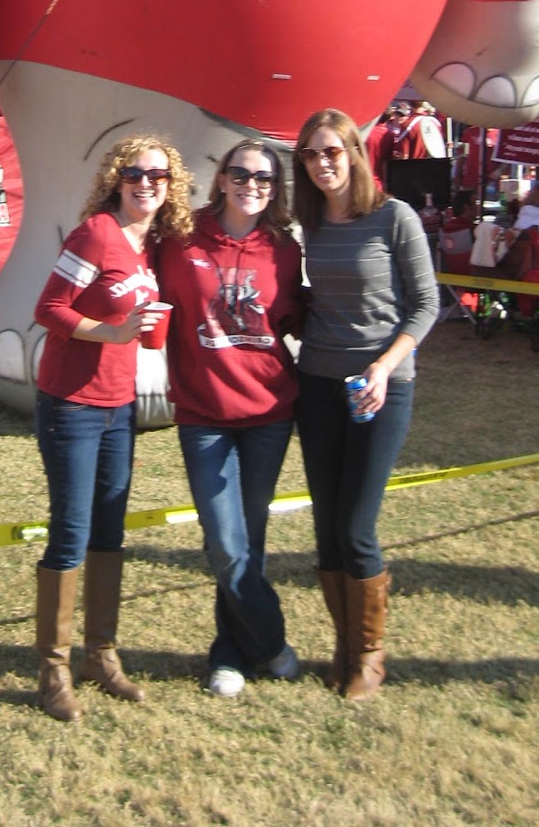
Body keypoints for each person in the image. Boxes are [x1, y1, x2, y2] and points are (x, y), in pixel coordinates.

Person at [31, 132, 194, 722]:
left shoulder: (152, 247)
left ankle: (100, 654)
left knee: (110, 531)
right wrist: (111, 333)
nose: (146, 182)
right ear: (115, 179)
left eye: (158, 175)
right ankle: (53, 670)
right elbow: (48, 308)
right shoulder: (95, 233)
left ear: (170, 185)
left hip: (119, 405)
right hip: (72, 404)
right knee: (71, 531)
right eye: (134, 173)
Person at [293, 107, 439, 701]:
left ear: (355, 153)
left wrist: (382, 366)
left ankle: (372, 655)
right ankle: (345, 643)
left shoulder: (393, 217)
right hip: (318, 385)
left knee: (356, 526)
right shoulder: (310, 222)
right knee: (326, 527)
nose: (322, 163)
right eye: (310, 154)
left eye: (332, 151)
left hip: (380, 386)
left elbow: (427, 304)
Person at [157, 140, 303, 698]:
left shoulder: (282, 250)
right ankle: (271, 644)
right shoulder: (179, 239)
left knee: (249, 539)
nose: (251, 184)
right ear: (220, 178)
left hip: (269, 411)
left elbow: (295, 317)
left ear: (276, 189)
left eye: (264, 178)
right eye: (240, 173)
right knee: (223, 542)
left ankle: (229, 654)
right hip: (203, 414)